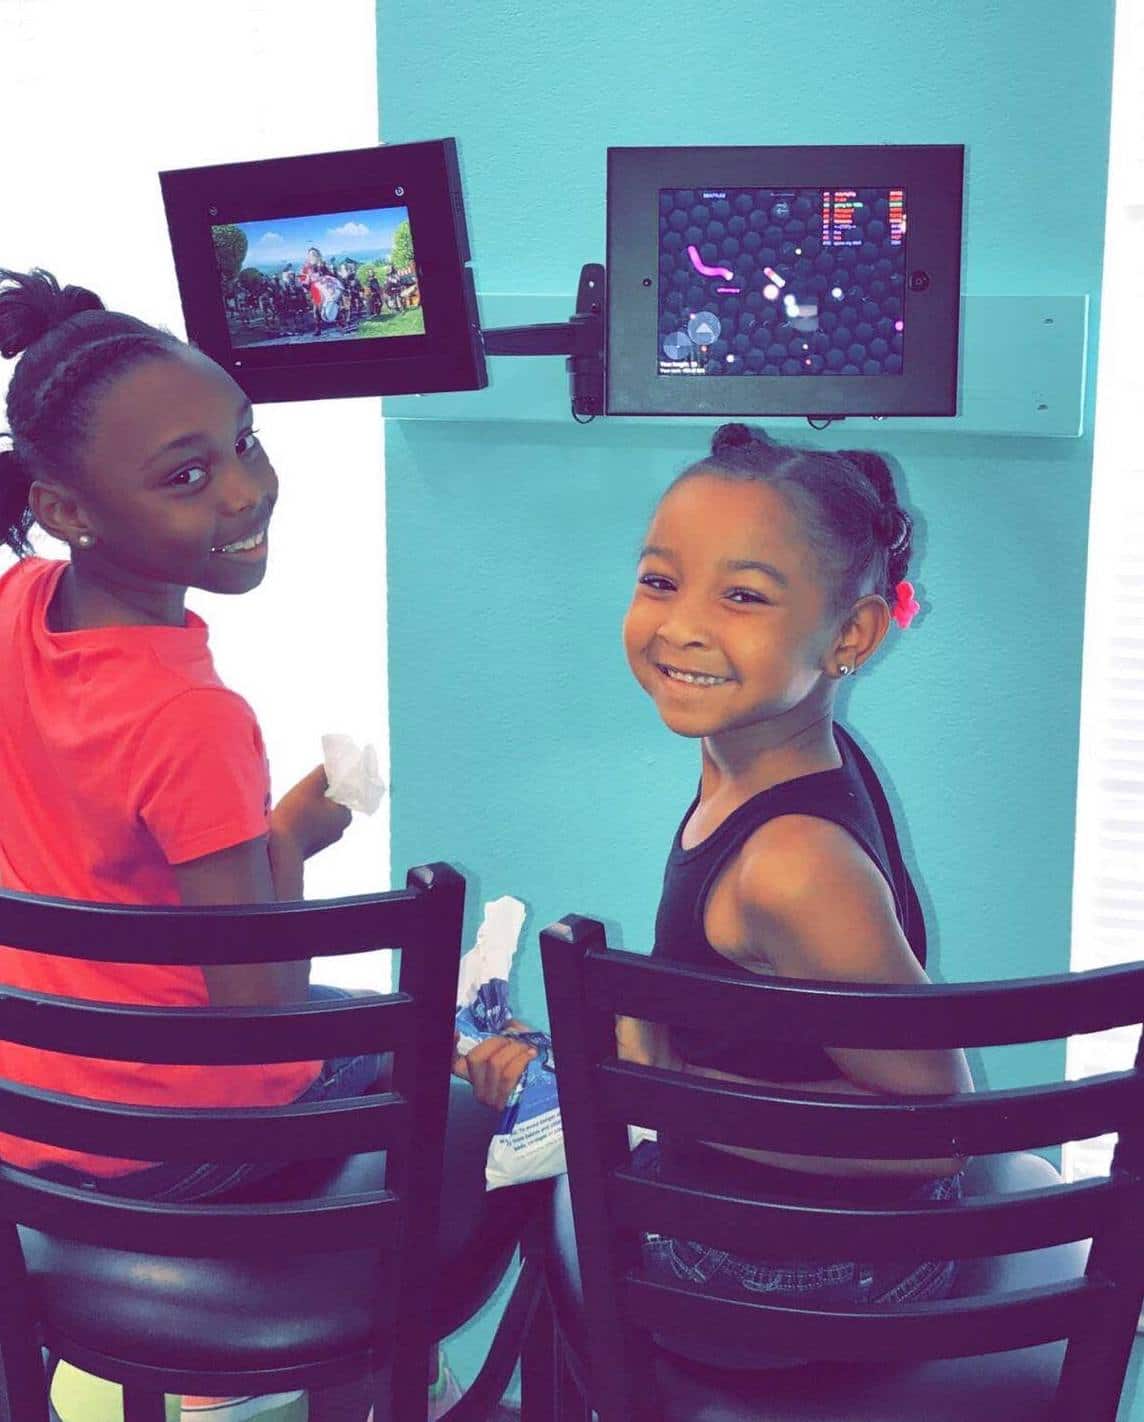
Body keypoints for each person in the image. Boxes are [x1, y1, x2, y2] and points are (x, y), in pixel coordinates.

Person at [0, 267, 521, 1420]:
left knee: (402, 1041)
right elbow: (258, 1003)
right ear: (68, 511)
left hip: (35, 1110)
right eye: (188, 476)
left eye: (245, 442)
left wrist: (265, 836)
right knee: (484, 1084)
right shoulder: (190, 717)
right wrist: (288, 835)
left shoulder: (18, 608)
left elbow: (103, 849)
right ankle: (375, 1380)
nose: (245, 493)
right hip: (172, 1139)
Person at [617, 421, 974, 1367]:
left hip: (811, 1268)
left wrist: (664, 1083)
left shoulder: (794, 864)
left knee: (546, 1190)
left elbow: (935, 1138)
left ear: (849, 636)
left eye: (743, 596)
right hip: (776, 1214)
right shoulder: (752, 756)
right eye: (660, 580)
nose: (682, 623)